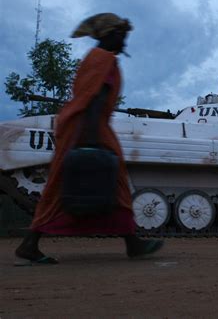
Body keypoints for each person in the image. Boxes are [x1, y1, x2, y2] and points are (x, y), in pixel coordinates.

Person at [14, 13, 163, 265]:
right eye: (121, 36)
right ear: (109, 35)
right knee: (95, 180)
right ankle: (131, 243)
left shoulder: (96, 58)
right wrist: (92, 140)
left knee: (78, 183)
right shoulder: (104, 60)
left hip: (83, 125)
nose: (124, 42)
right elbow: (95, 99)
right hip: (87, 126)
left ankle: (132, 241)